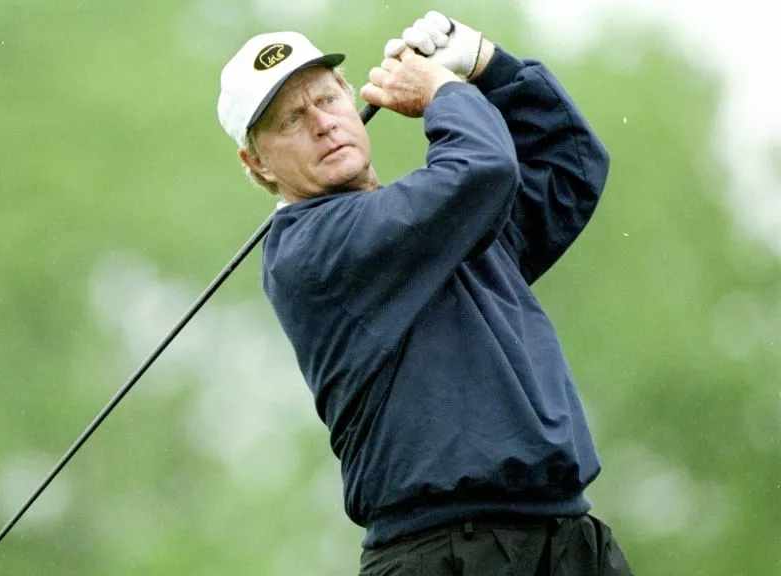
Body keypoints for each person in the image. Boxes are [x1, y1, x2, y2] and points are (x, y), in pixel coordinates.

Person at [216, 10, 634, 575]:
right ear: (257, 161)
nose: (322, 123)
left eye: (328, 100)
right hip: (441, 553)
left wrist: (487, 62)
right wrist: (443, 91)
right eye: (291, 120)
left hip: (567, 541)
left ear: (352, 98)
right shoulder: (309, 250)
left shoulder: (445, 222)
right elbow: (481, 168)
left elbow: (570, 164)